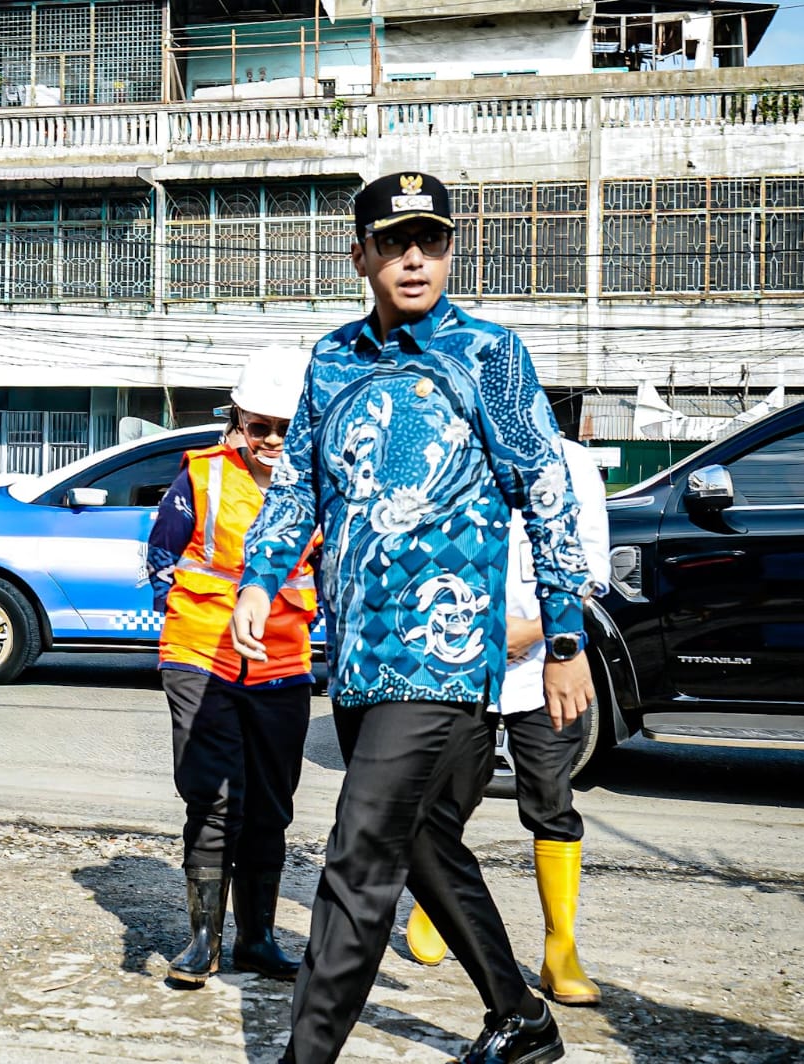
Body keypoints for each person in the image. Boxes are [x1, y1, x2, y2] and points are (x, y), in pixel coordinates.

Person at [229, 171, 598, 1064]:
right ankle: (522, 1021)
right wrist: (259, 577)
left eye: (429, 241)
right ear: (361, 255)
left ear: (448, 250)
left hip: (442, 651)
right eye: (394, 243)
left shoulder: (488, 354)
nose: (414, 258)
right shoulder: (332, 360)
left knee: (358, 855)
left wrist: (562, 635)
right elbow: (302, 485)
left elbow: (546, 496)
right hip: (355, 654)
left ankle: (302, 1056)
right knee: (425, 839)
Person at [404, 436, 611, 1008]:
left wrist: (541, 630)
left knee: (550, 797)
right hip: (457, 658)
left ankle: (560, 948)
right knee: (450, 794)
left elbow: (590, 561)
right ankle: (438, 905)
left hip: (547, 663)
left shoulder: (571, 462)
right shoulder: (445, 447)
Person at [147, 348, 318, 988]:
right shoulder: (203, 475)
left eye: (285, 427)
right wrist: (189, 620)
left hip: (283, 661)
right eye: (259, 427)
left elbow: (330, 571)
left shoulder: (320, 486)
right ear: (238, 421)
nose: (272, 440)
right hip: (202, 655)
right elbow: (163, 556)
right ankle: (202, 943)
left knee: (272, 806)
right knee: (214, 800)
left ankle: (258, 940)